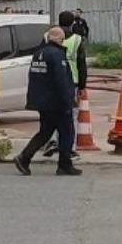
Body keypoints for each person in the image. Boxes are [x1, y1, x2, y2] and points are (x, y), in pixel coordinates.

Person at [14, 26, 82, 176]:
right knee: (67, 132)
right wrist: (68, 101)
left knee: (45, 132)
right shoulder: (57, 55)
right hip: (56, 102)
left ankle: (24, 157)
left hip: (42, 101)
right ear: (61, 40)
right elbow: (61, 80)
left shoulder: (39, 53)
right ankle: (64, 164)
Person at [42, 10, 90, 160]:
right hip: (71, 82)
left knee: (51, 112)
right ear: (73, 23)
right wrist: (82, 85)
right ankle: (70, 148)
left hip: (49, 81)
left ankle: (53, 141)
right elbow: (82, 63)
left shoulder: (47, 36)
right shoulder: (77, 40)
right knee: (71, 114)